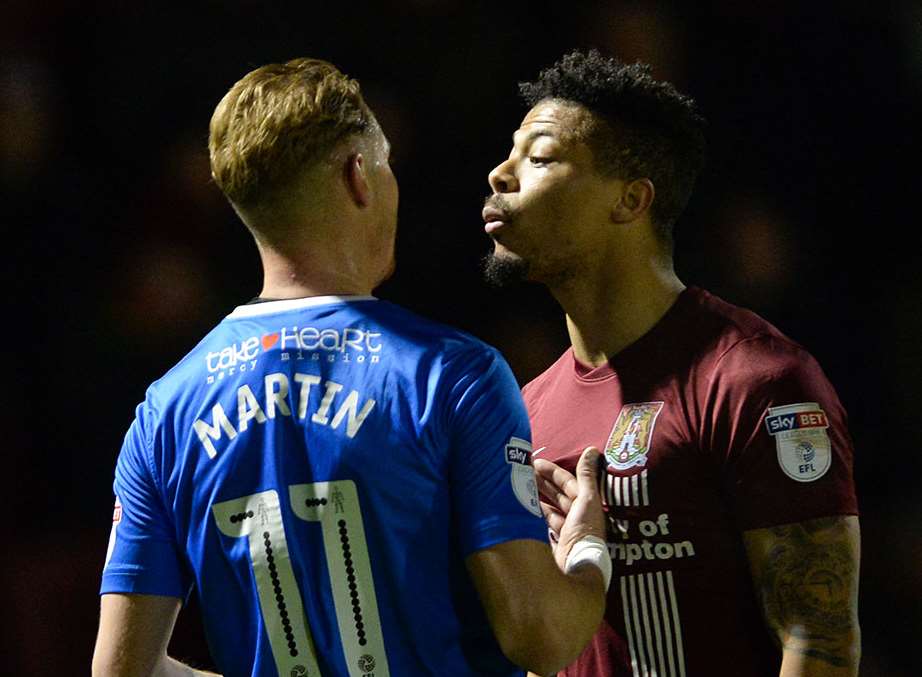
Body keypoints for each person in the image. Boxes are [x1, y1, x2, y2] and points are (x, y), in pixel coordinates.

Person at [91, 57, 611, 677]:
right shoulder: (453, 376)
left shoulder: (164, 413)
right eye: (386, 163)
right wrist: (586, 551)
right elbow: (542, 637)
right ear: (357, 175)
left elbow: (122, 670)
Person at [482, 49, 860, 676]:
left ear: (631, 201)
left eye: (540, 158)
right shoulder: (526, 408)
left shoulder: (753, 381)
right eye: (510, 154)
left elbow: (818, 641)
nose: (500, 174)